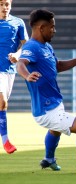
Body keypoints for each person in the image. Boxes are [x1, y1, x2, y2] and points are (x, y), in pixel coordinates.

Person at [17, 9, 76, 174]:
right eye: (52, 27)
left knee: (56, 130)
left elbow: (58, 66)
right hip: (45, 110)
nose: (54, 30)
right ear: (41, 28)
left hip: (54, 104)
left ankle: (49, 159)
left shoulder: (46, 47)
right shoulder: (32, 46)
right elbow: (20, 63)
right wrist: (27, 75)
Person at [0, 0, 29, 154]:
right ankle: (6, 141)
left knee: (2, 106)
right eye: (1, 4)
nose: (5, 7)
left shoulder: (17, 22)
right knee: (2, 101)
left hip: (9, 70)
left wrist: (18, 54)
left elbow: (26, 44)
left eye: (7, 4)